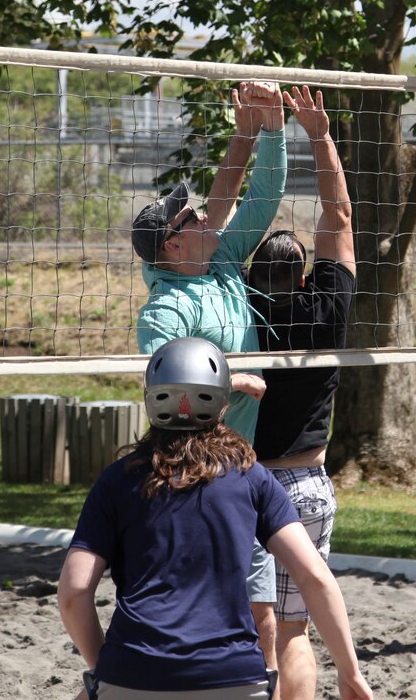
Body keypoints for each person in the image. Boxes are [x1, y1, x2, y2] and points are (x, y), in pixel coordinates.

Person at [58, 337, 372, 700]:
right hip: (233, 677)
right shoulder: (252, 477)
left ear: (151, 399)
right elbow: (314, 577)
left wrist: (104, 669)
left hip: (133, 673)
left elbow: (74, 592)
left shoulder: (117, 480)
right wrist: (350, 672)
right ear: (224, 403)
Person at [132, 82, 287, 677]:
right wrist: (235, 380)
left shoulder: (220, 260)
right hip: (186, 465)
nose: (203, 213)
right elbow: (168, 383)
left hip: (239, 462)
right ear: (173, 243)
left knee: (259, 602)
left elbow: (261, 194)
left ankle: (261, 686)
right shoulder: (165, 309)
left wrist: (269, 128)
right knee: (184, 595)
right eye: (191, 216)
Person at [247, 86, 355, 700]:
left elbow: (228, 235)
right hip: (308, 488)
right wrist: (319, 135)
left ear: (255, 278)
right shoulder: (329, 305)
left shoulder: (242, 315)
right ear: (306, 273)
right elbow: (338, 217)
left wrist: (257, 134)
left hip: (245, 485)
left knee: (238, 623)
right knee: (293, 632)